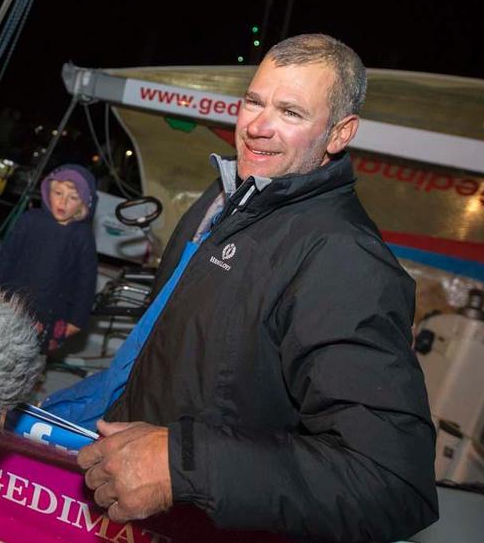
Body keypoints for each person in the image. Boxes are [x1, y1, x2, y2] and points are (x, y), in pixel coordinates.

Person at [44, 34, 439, 540]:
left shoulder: (346, 260)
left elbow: (391, 481)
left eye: (291, 113)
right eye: (254, 101)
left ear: (339, 133)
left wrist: (182, 465)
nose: (257, 126)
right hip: (123, 492)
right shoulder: (226, 196)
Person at [0, 164, 98, 353]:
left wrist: (77, 320)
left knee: (31, 361)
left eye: (72, 198)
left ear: (84, 204)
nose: (63, 202)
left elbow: (86, 282)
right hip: (12, 303)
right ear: (48, 192)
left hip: (50, 314)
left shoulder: (83, 237)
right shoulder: (29, 220)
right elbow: (5, 259)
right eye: (58, 193)